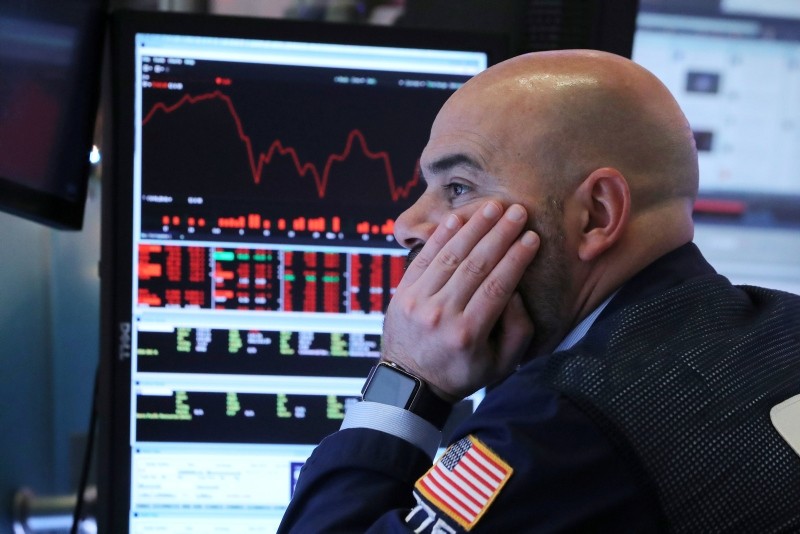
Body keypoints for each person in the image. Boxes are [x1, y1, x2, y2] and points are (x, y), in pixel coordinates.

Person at [278, 49, 800, 532]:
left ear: (597, 214)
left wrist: (410, 379)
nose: (405, 224)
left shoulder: (561, 427)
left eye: (458, 187)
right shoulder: (782, 326)